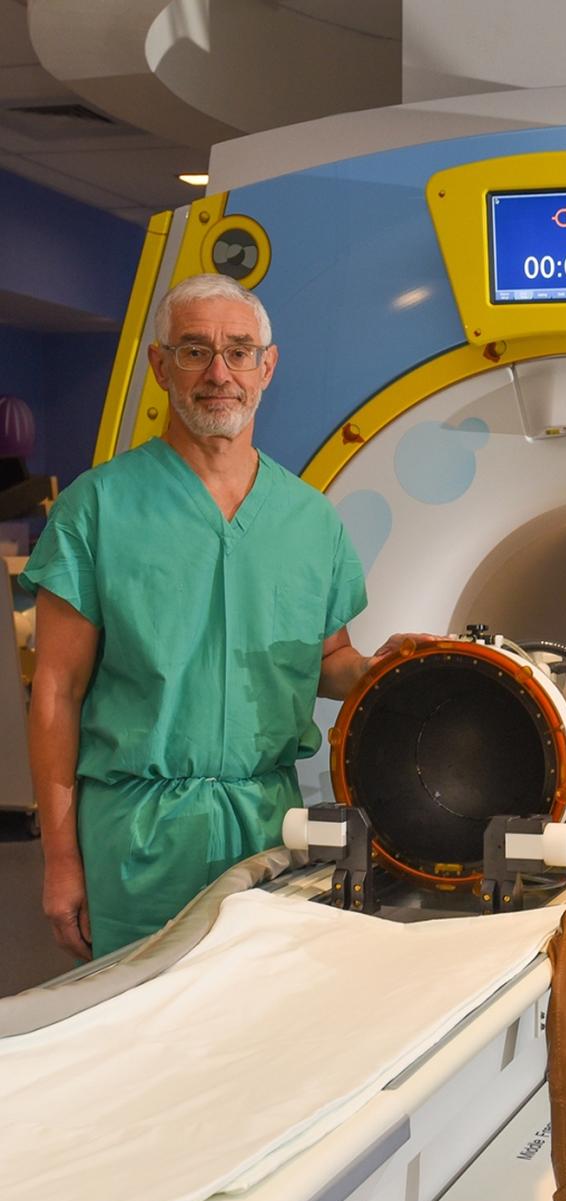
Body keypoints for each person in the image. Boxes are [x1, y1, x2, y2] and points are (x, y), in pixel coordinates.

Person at [24, 273, 388, 960]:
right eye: (195, 351)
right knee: (142, 1039)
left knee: (253, 1036)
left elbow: (329, 659)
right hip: (136, 834)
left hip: (268, 827)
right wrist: (61, 858)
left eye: (240, 351)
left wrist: (389, 668)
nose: (219, 372)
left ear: (267, 366)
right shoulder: (97, 508)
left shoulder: (310, 520)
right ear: (161, 366)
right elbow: (56, 691)